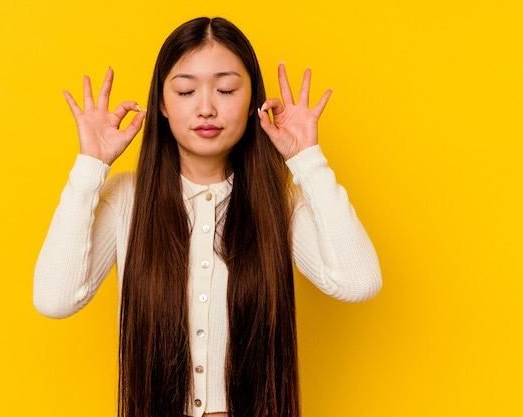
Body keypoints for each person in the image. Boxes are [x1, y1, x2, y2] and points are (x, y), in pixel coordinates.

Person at [34, 16, 381, 417]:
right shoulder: (127, 197)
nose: (205, 108)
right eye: (185, 90)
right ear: (161, 103)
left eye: (226, 89)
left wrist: (307, 160)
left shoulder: (278, 202)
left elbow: (359, 282)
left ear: (253, 101)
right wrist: (90, 167)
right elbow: (54, 299)